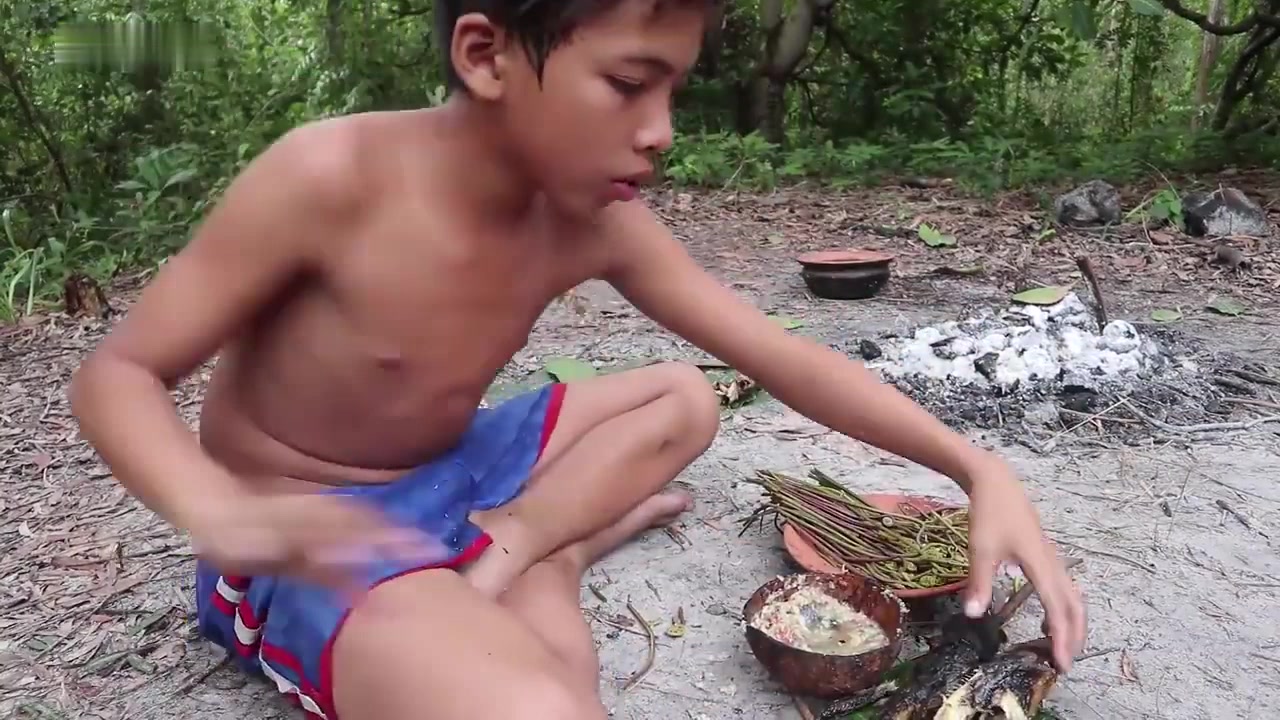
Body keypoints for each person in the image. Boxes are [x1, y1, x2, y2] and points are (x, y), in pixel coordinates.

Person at [67, 1, 1087, 718]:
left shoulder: (593, 219)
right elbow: (119, 375)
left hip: (458, 469)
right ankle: (536, 568)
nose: (661, 131)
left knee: (684, 397)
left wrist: (976, 467)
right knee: (542, 704)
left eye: (672, 90)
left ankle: (526, 544)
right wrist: (224, 515)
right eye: (628, 85)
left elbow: (779, 355)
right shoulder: (330, 178)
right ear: (486, 55)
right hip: (315, 533)